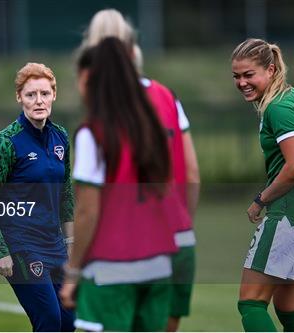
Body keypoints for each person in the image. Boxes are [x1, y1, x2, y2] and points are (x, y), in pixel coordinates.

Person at [78, 8, 200, 331]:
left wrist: (74, 267)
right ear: (134, 51)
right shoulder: (167, 97)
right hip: (177, 241)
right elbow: (191, 175)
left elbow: (91, 205)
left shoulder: (105, 112)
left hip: (121, 252)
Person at [59, 37, 178, 332]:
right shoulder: (152, 124)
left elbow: (87, 211)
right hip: (159, 262)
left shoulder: (93, 132)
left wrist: (72, 272)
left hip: (111, 268)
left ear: (89, 78)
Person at [231, 38, 294, 332]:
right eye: (236, 76)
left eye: (249, 74)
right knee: (289, 307)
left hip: (290, 212)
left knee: (251, 302)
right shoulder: (290, 96)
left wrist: (261, 199)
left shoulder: (278, 108)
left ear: (270, 70)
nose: (242, 82)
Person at [0, 62, 75, 332]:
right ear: (19, 97)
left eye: (44, 93)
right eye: (31, 95)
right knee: (50, 320)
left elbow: (65, 193)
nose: (38, 101)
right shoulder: (7, 143)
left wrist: (71, 241)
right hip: (21, 246)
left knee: (69, 321)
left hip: (55, 245)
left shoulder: (60, 138)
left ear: (54, 94)